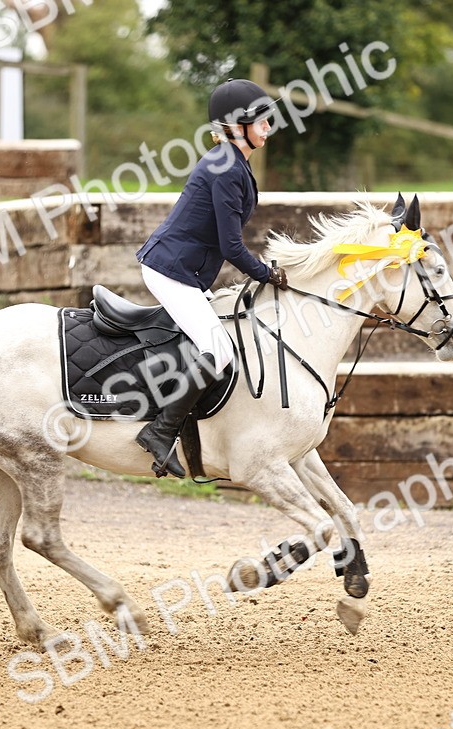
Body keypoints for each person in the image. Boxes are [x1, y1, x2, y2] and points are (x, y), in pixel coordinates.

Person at [134, 78, 289, 478]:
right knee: (218, 352)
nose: (268, 127)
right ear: (236, 127)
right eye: (260, 121)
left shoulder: (233, 162)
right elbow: (231, 246)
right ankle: (159, 432)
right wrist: (266, 274)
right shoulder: (226, 168)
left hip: (184, 272)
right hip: (170, 272)